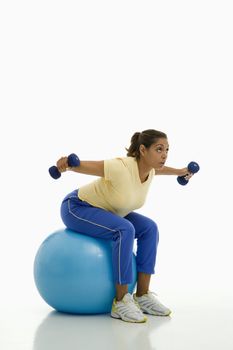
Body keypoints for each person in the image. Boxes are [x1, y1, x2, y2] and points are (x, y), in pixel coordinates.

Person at [58, 129, 193, 323]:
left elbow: (162, 170)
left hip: (108, 210)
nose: (164, 154)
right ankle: (120, 301)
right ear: (143, 150)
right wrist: (67, 165)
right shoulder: (121, 167)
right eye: (159, 149)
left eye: (167, 150)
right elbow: (86, 166)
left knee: (149, 228)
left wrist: (180, 172)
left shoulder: (150, 170)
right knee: (125, 229)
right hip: (77, 207)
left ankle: (143, 296)